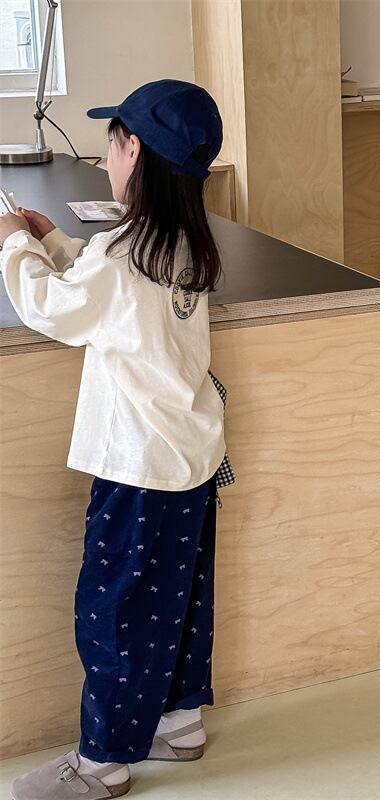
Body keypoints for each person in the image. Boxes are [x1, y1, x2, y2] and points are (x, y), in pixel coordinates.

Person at [0, 79, 232, 800]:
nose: (105, 161)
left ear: (135, 151)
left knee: (114, 614)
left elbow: (53, 308)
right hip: (189, 462)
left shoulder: (122, 255)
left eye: (112, 145)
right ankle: (179, 724)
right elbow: (114, 293)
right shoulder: (183, 244)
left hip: (136, 469)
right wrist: (54, 240)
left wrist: (14, 246)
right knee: (179, 602)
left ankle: (100, 763)